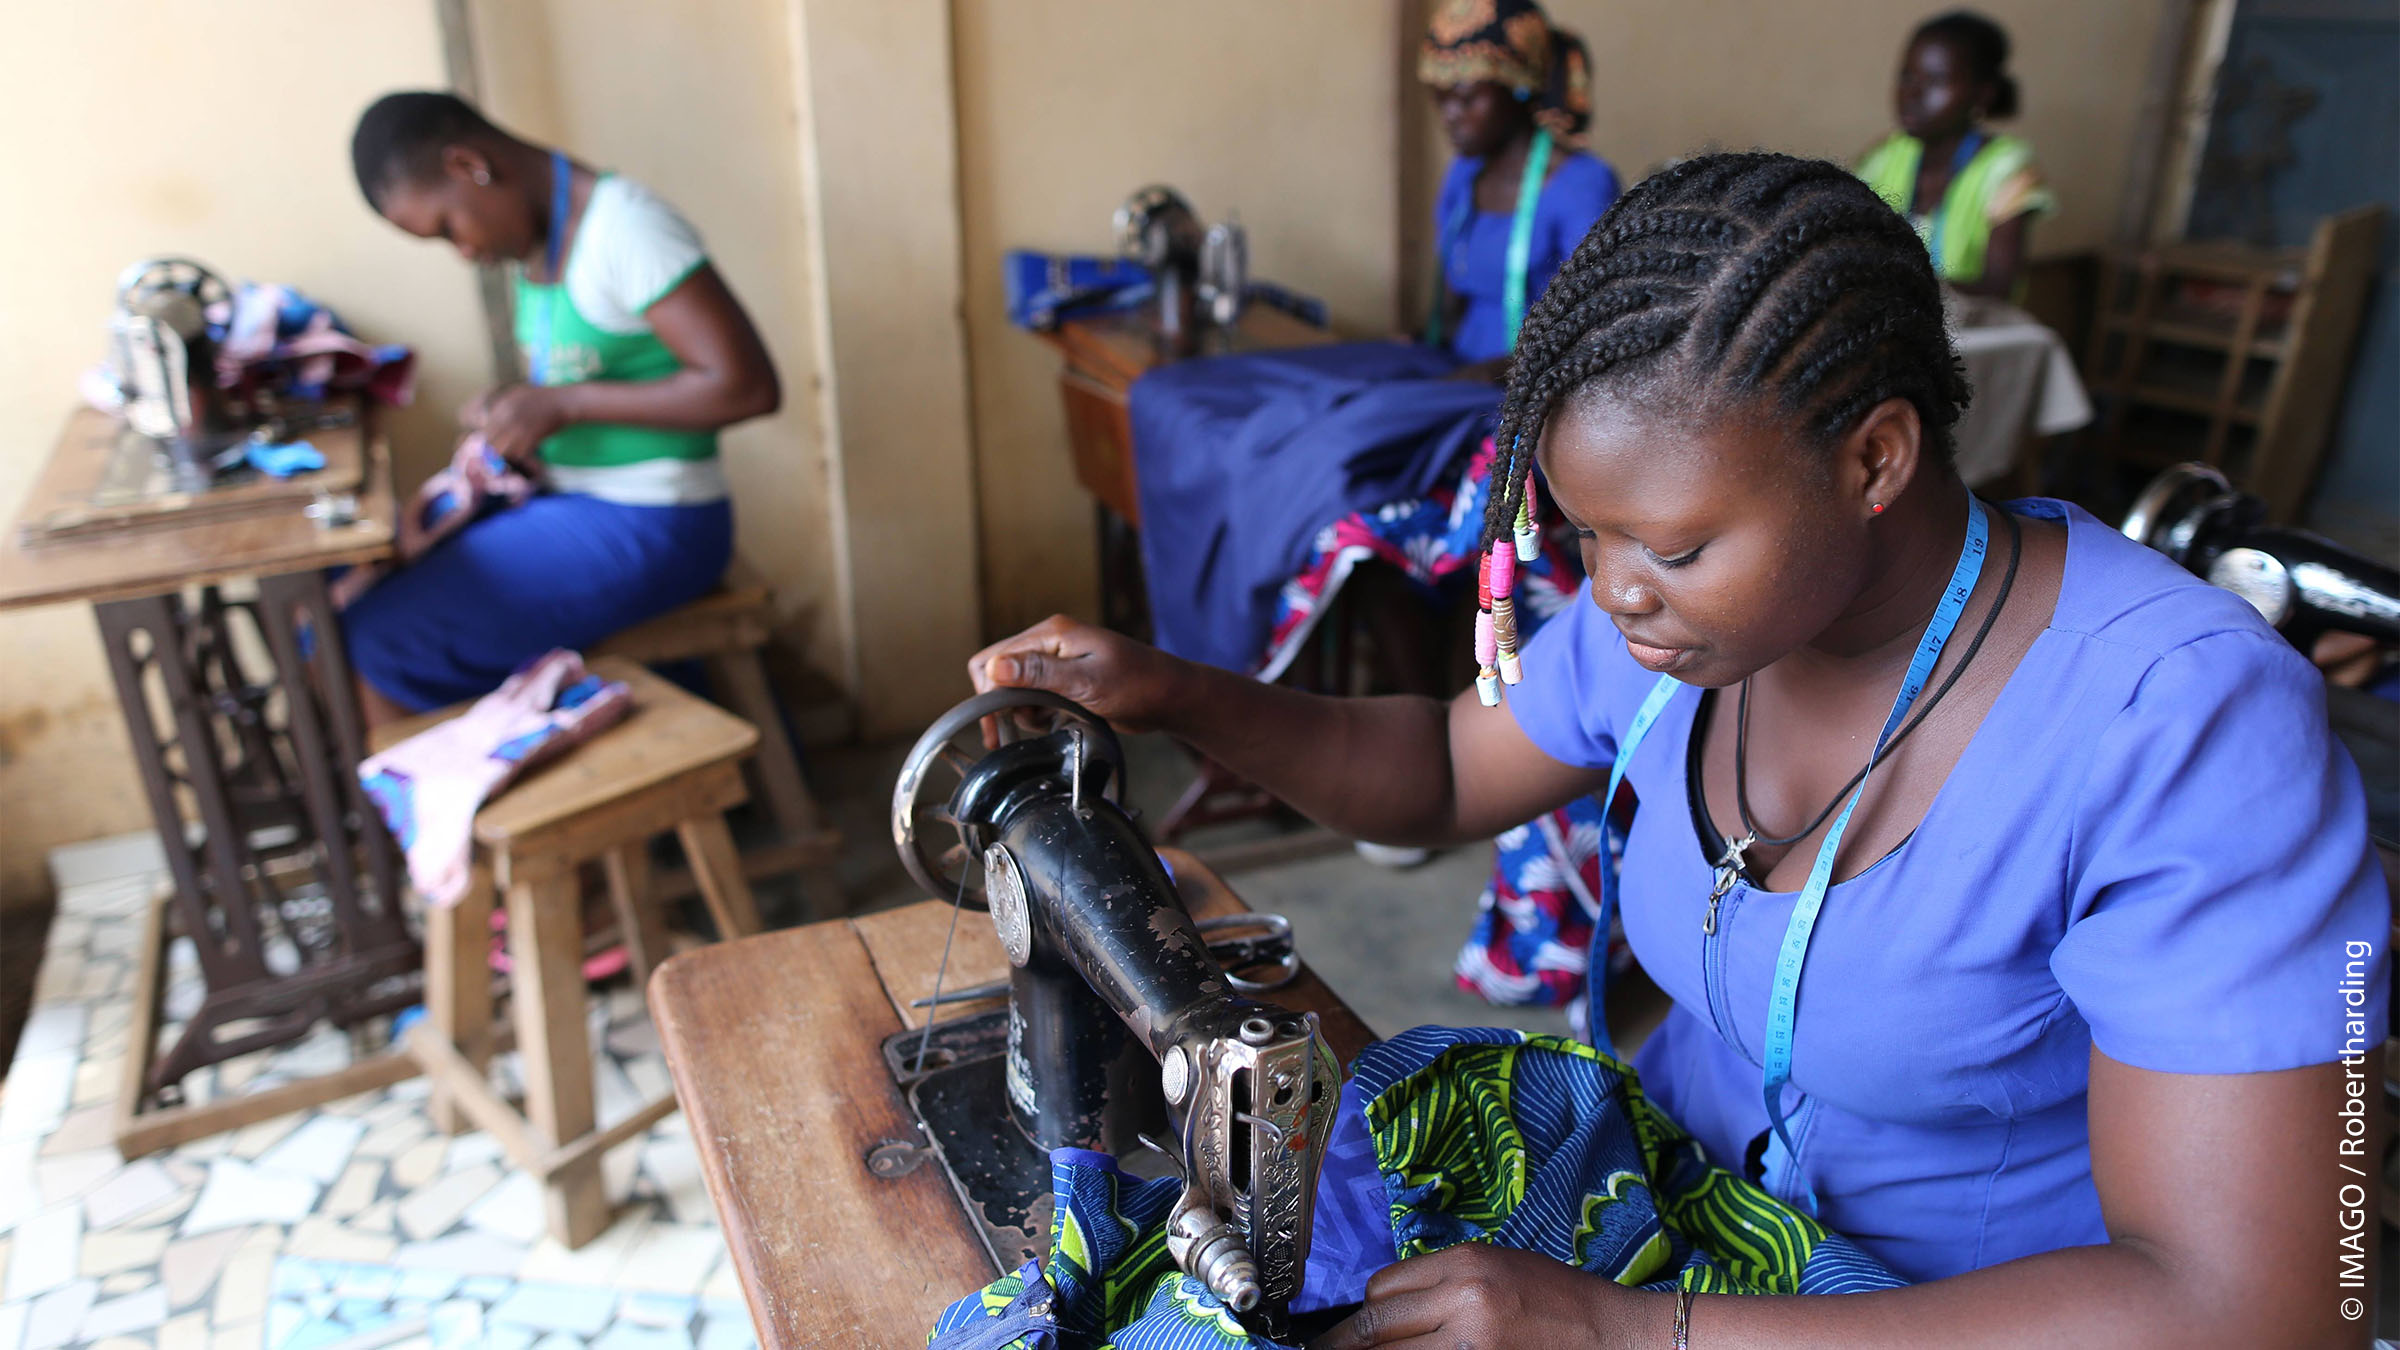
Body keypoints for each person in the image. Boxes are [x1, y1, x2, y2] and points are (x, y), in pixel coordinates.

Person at [971, 152, 2384, 1345]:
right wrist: (1173, 691)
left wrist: (1631, 1327)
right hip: (1669, 1217)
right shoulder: (1682, 629)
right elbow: (1449, 770)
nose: (1617, 589)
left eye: (1677, 543)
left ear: (1877, 456)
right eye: (1587, 535)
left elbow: (2258, 1301)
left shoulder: (2181, 726)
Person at [341, 92, 779, 721]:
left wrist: (565, 404)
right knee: (350, 599)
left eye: (447, 230)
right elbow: (596, 369)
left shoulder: (627, 229)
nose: (463, 253)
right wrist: (519, 409)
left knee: (375, 645)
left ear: (470, 167)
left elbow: (747, 385)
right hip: (578, 498)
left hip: (657, 517)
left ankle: (466, 813)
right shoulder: (539, 244)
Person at [1857, 10, 2052, 299]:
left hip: (1975, 331)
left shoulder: (2006, 168)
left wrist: (1895, 280)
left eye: (1935, 81)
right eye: (1906, 76)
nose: (1912, 93)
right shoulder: (1885, 157)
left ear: (1982, 94)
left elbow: (1998, 288)